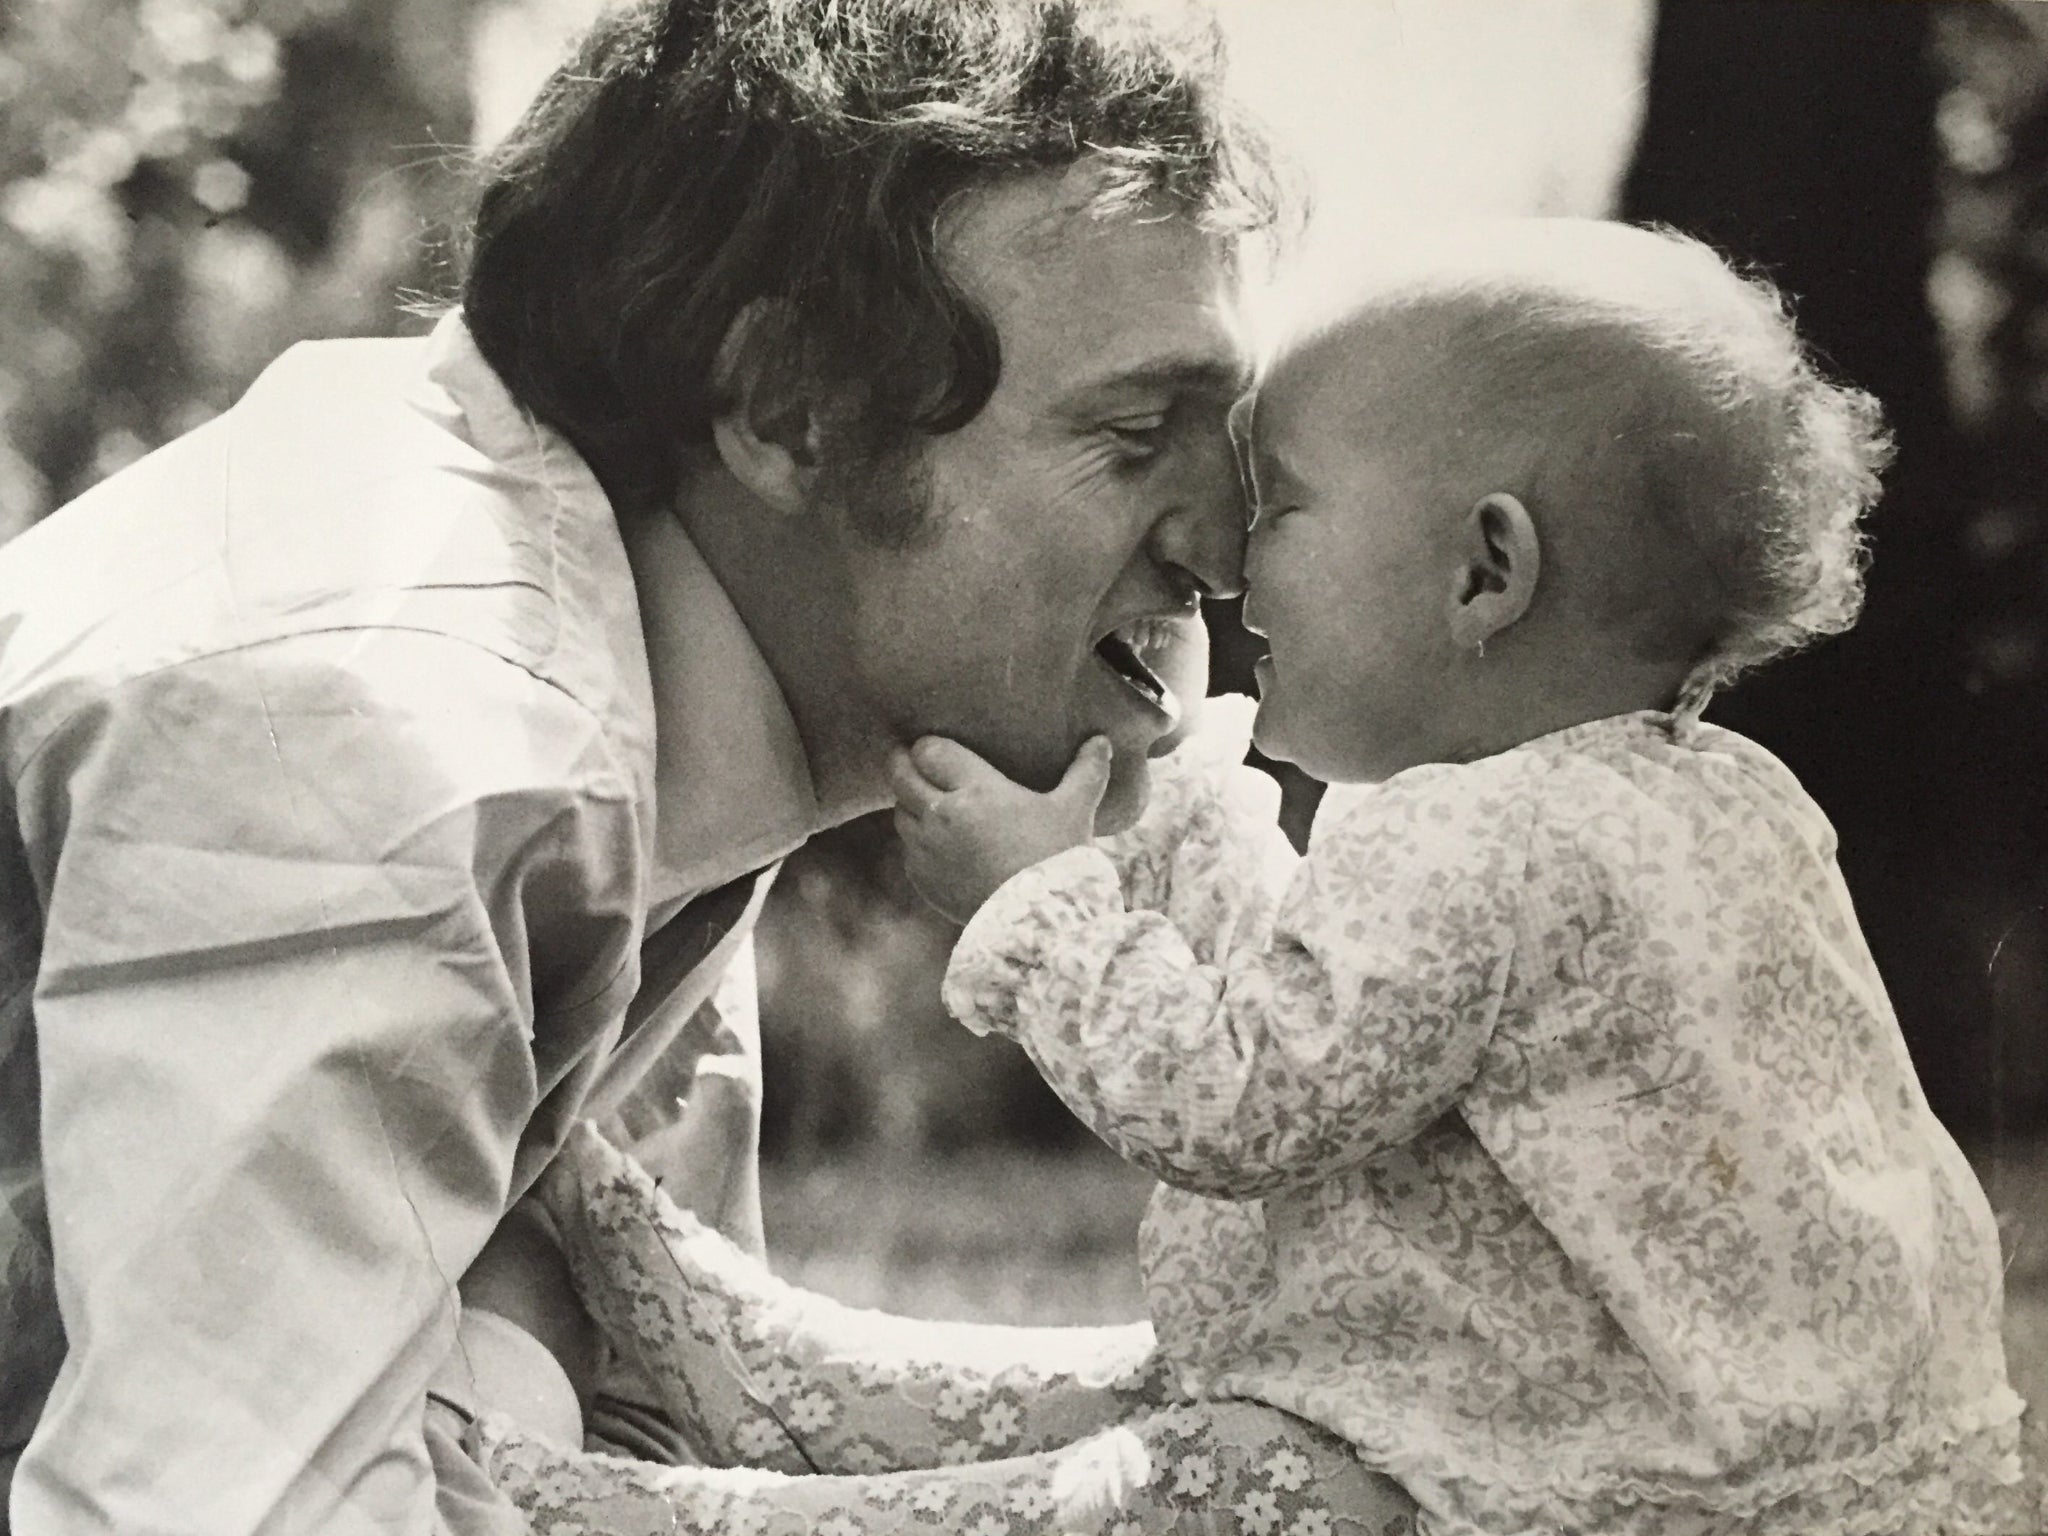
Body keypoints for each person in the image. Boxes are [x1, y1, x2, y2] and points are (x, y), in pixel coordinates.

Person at [498, 221, 2041, 1536]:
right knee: (1221, 1385)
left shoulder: (1493, 844)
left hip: (1634, 1496)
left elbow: (1244, 1105)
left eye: (1283, 502)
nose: (1230, 562)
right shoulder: (1700, 800)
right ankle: (754, 1365)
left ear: (1483, 574)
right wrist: (1178, 816)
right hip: (1766, 1466)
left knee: (1221, 1467)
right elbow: (1335, 1006)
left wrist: (1046, 911)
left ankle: (679, 1511)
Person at [0, 1, 1283, 1529]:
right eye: (1139, 435)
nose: (1232, 546)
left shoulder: (664, 705)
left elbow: (652, 1446)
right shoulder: (386, 729)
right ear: (791, 412)